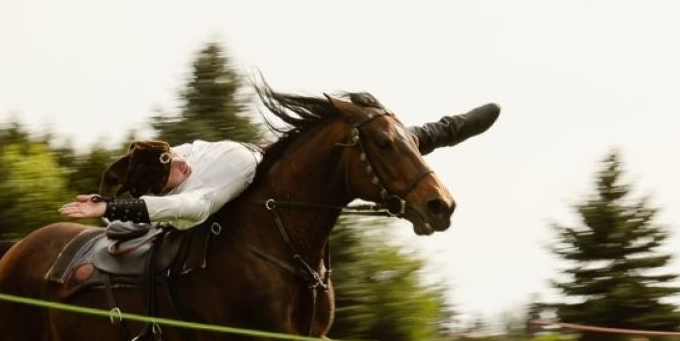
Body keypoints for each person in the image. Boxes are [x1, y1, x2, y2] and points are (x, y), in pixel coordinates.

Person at [59, 103, 502, 229]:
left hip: (271, 152)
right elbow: (192, 210)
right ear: (164, 188)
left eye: (173, 154)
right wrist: (110, 210)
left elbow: (185, 152)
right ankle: (411, 201)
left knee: (388, 136)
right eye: (173, 168)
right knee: (362, 156)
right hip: (268, 178)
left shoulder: (182, 156)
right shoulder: (185, 201)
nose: (182, 162)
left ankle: (446, 129)